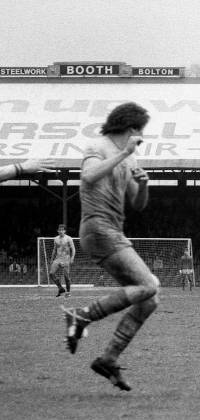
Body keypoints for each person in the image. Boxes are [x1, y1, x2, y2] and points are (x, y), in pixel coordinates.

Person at [61, 102, 157, 391]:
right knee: (150, 286)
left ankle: (108, 358)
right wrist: (126, 153)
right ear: (131, 129)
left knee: (149, 299)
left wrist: (144, 184)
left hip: (113, 230)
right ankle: (81, 316)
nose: (141, 139)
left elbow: (138, 204)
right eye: (141, 133)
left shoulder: (128, 160)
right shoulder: (98, 146)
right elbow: (88, 177)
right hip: (97, 227)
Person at [49, 224, 76, 297]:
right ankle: (60, 288)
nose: (61, 231)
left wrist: (72, 257)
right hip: (57, 259)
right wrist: (52, 259)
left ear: (65, 231)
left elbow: (73, 249)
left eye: (62, 230)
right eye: (59, 230)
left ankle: (68, 292)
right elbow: (54, 249)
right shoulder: (56, 239)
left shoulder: (69, 238)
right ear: (58, 231)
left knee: (66, 277)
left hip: (66, 259)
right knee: (51, 273)